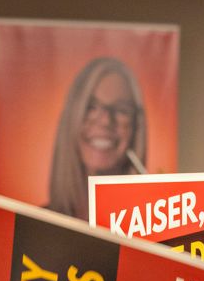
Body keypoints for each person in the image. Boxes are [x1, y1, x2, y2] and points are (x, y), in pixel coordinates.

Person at [46, 56, 147, 218]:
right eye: (91, 107)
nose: (106, 120)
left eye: (122, 110)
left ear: (136, 126)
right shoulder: (35, 224)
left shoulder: (156, 227)